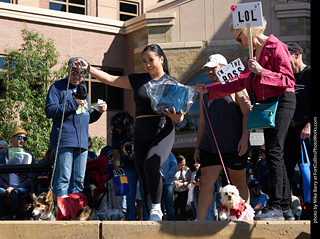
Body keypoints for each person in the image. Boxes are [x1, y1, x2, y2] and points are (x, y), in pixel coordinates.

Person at [197, 18, 296, 220]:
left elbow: (288, 80)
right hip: (267, 103)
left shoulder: (276, 46)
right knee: (274, 152)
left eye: (239, 38)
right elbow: (239, 82)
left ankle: (277, 206)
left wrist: (262, 72)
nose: (239, 43)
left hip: (283, 100)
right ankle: (284, 208)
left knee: (275, 151)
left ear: (250, 33)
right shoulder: (252, 54)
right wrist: (208, 89)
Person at [75, 44, 185, 221]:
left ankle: (157, 209)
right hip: (141, 132)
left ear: (161, 59)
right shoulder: (138, 80)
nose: (147, 64)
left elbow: (180, 117)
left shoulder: (172, 84)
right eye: (144, 61)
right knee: (144, 175)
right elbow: (111, 79)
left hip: (162, 130)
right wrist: (89, 68)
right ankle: (152, 217)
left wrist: (177, 117)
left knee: (151, 164)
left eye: (151, 60)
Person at [194, 54, 251, 221]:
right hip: (210, 146)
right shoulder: (205, 92)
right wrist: (197, 147)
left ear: (224, 67)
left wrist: (244, 138)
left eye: (214, 67)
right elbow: (202, 123)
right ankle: (200, 221)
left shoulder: (237, 87)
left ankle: (243, 218)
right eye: (208, 68)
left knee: (239, 184)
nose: (211, 71)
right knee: (205, 182)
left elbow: (247, 113)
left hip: (235, 145)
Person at [45, 57, 107, 197]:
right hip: (64, 141)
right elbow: (49, 111)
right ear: (68, 70)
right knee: (63, 180)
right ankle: (61, 216)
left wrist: (98, 112)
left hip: (82, 143)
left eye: (82, 73)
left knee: (79, 181)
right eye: (74, 72)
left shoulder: (83, 89)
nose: (78, 76)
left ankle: (75, 215)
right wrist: (74, 103)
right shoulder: (57, 87)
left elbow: (86, 118)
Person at [284, 42, 311, 218]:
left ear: (296, 54)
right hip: (288, 130)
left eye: (287, 59)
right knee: (283, 169)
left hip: (307, 130)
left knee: (309, 171)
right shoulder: (287, 77)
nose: (284, 63)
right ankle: (285, 207)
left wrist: (311, 124)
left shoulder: (309, 74)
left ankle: (311, 208)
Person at [111, 111, 148, 221]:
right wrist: (117, 168)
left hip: (142, 167)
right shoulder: (116, 135)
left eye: (119, 127)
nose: (117, 130)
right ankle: (130, 220)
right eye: (116, 127)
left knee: (144, 193)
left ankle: (147, 220)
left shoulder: (138, 131)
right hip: (128, 167)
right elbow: (116, 156)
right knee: (129, 195)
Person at [0, 126, 35, 219]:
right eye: (19, 137)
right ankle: (4, 216)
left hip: (22, 188)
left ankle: (16, 217)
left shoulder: (29, 156)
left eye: (24, 138)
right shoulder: (2, 156)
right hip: (6, 187)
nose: (22, 140)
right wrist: (7, 187)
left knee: (15, 193)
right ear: (12, 139)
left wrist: (16, 187)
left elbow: (32, 177)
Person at [161, 152, 178, 221]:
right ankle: (159, 224)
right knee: (158, 206)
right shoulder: (155, 152)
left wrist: (166, 176)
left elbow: (175, 167)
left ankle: (173, 226)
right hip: (157, 184)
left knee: (169, 206)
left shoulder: (170, 154)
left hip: (168, 183)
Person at [173, 155, 191, 221]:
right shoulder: (174, 169)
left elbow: (188, 181)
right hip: (175, 191)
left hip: (184, 191)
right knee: (175, 207)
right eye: (182, 162)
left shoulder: (187, 170)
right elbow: (171, 179)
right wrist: (176, 182)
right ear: (178, 162)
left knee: (182, 208)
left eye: (184, 162)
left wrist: (182, 183)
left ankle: (184, 222)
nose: (184, 164)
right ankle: (173, 222)